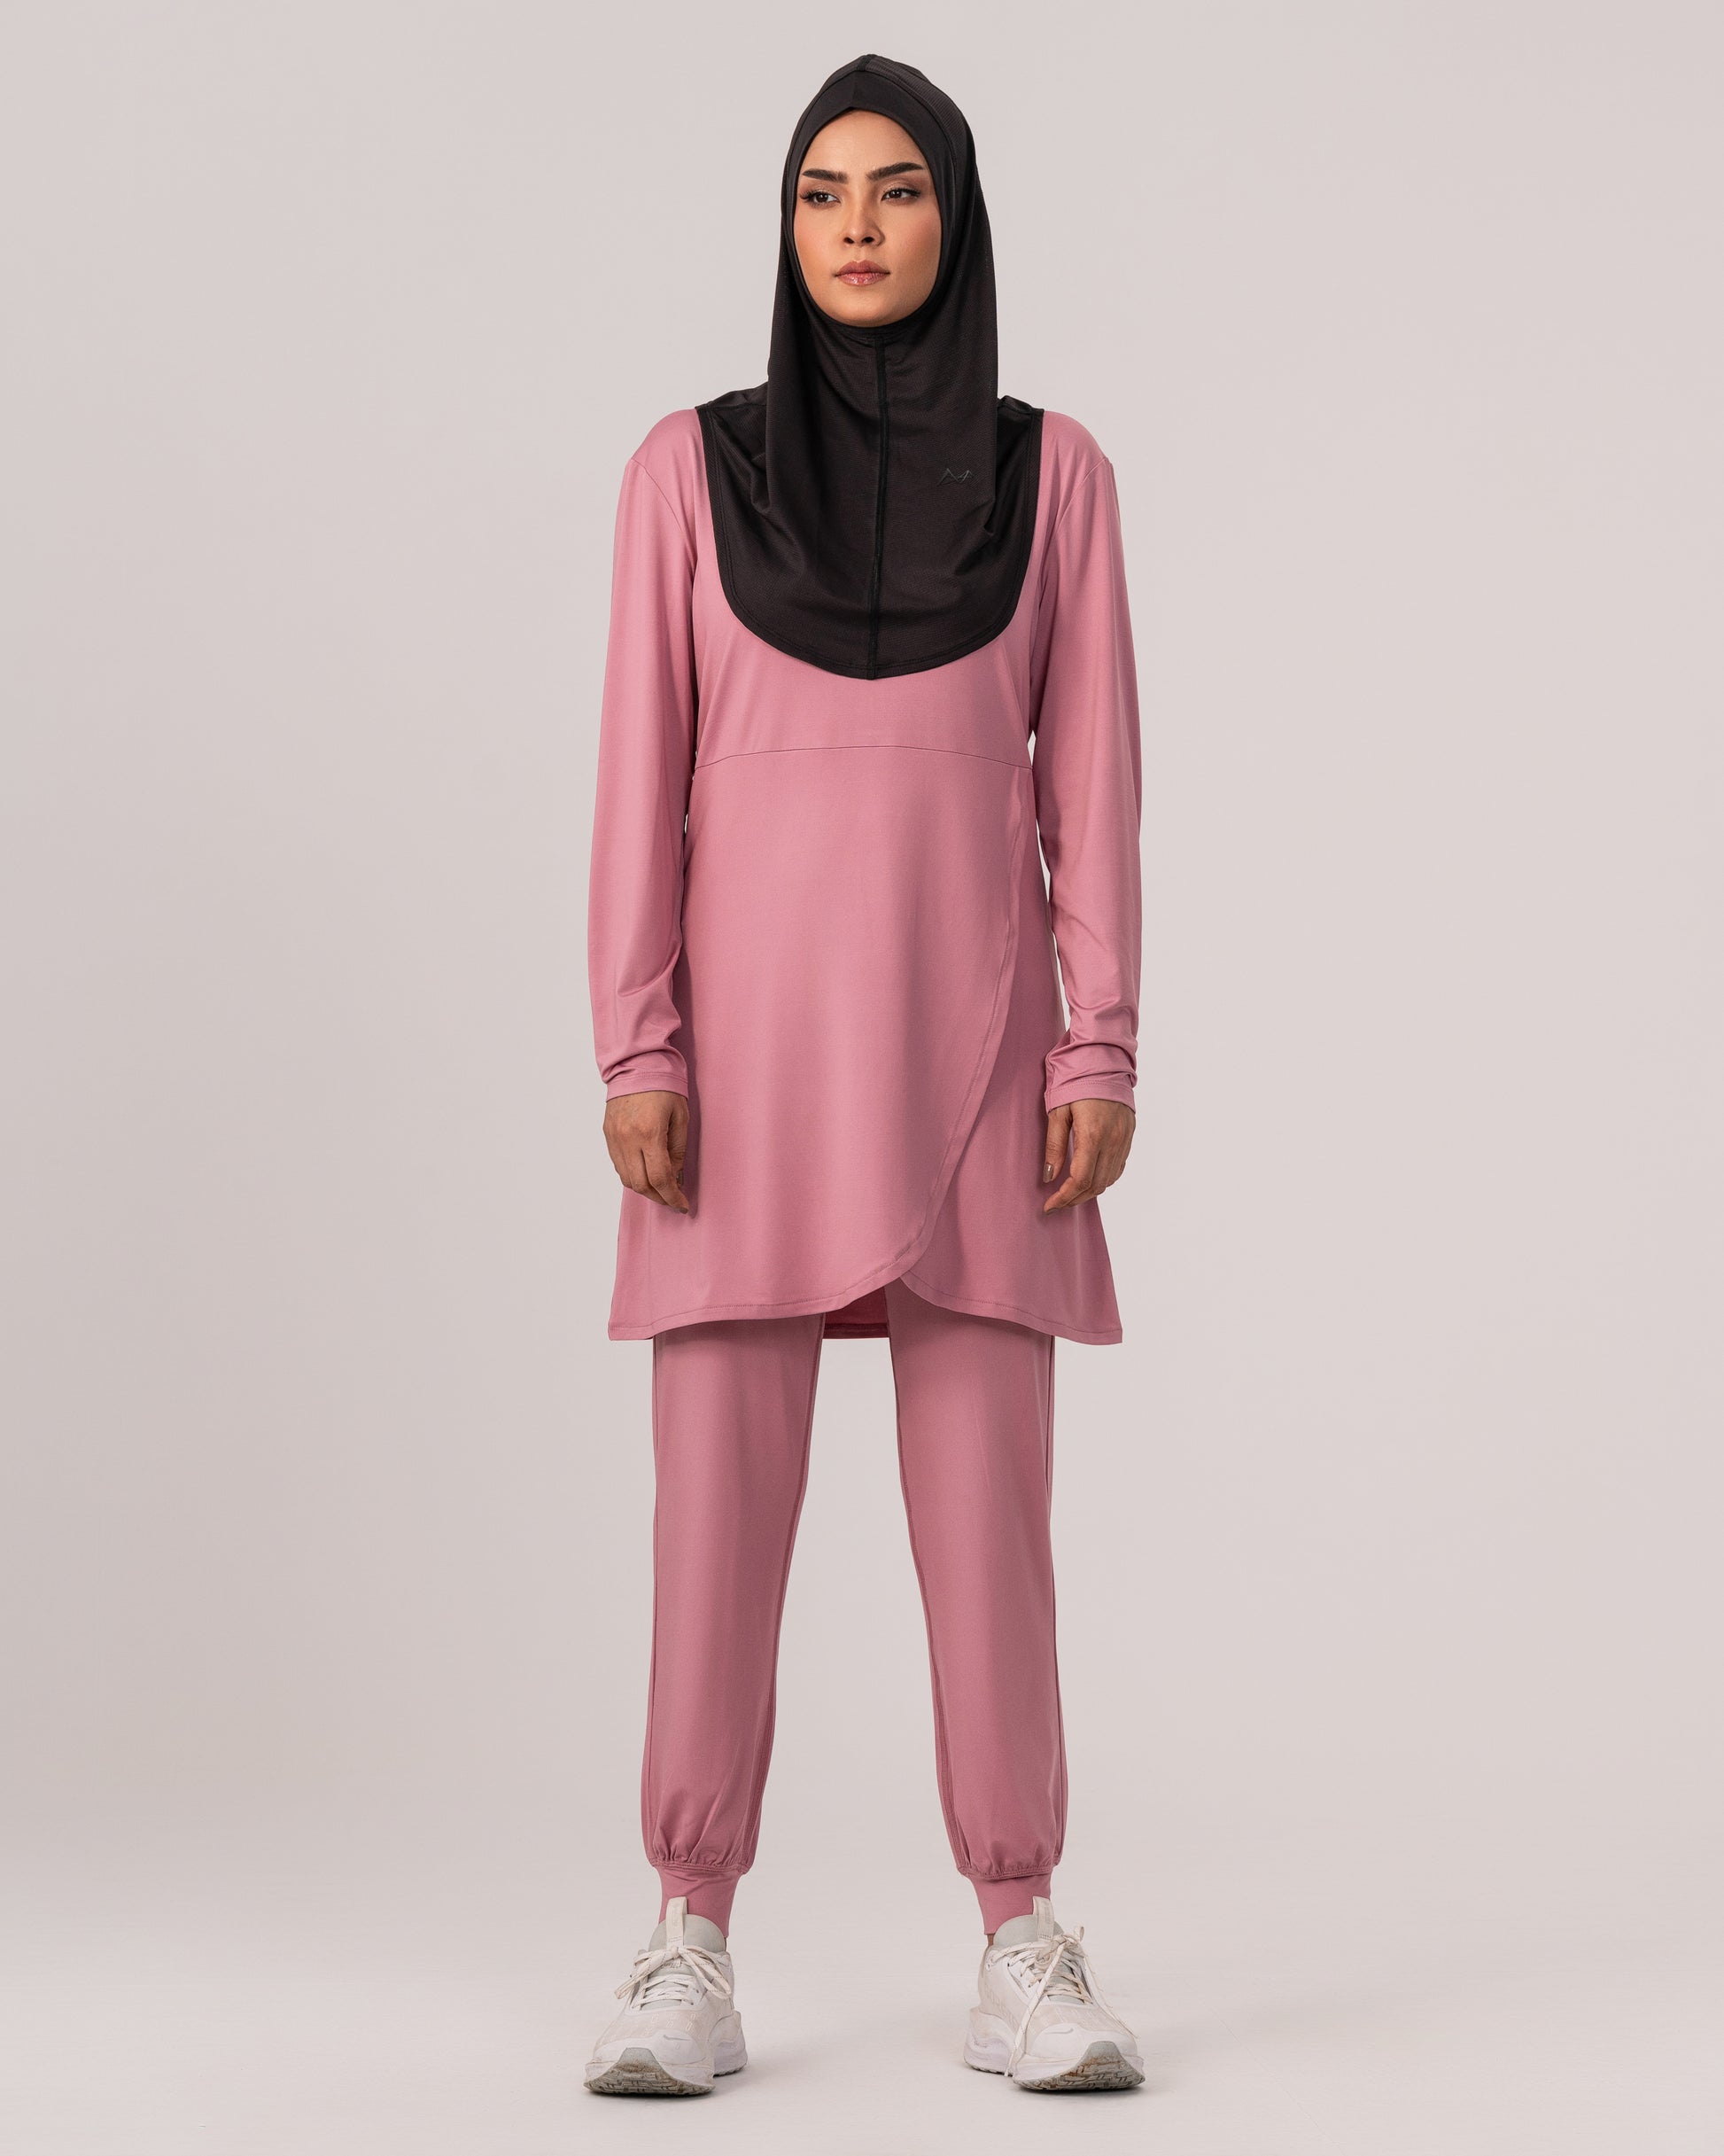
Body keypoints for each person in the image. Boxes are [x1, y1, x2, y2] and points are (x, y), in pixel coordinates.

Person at [582, 54, 1145, 2098]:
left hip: (980, 1062)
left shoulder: (1054, 478)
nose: (854, 226)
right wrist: (637, 1037)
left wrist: (1100, 1037)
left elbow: (1094, 790)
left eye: (898, 190)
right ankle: (686, 1934)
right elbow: (638, 781)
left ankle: (1020, 1932)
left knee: (991, 1525)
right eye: (821, 191)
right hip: (740, 1075)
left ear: (954, 221)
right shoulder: (688, 473)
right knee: (714, 1525)